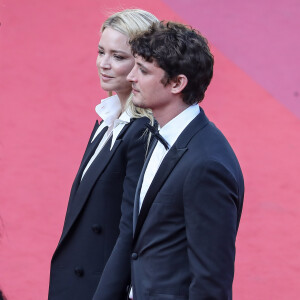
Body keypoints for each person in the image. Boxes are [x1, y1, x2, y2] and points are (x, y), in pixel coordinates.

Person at [124, 21, 244, 299]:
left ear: (178, 83)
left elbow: (212, 281)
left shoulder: (207, 165)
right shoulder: (158, 132)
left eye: (143, 70)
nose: (131, 77)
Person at [48, 9, 158, 300]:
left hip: (100, 288)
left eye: (118, 57)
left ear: (143, 65)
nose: (104, 64)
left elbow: (131, 232)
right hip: (76, 280)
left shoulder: (142, 132)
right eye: (101, 52)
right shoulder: (107, 119)